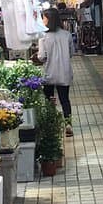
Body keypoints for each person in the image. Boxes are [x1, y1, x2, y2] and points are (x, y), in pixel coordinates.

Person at [37, 8, 74, 136]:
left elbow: (41, 57)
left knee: (49, 99)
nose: (42, 20)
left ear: (49, 19)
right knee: (65, 99)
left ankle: (51, 124)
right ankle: (68, 124)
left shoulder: (43, 37)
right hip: (64, 73)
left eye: (44, 18)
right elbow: (71, 53)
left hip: (49, 74)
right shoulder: (67, 35)